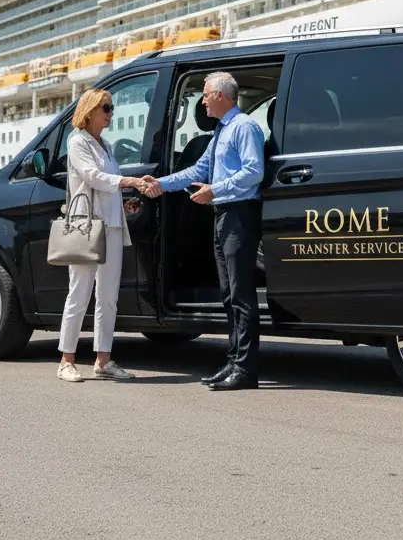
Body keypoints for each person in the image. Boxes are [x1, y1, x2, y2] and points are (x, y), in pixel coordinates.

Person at [142, 72, 265, 391]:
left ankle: (246, 369)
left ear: (221, 96)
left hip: (239, 213)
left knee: (241, 294)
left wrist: (215, 190)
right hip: (223, 215)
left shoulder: (244, 127)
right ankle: (234, 361)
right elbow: (199, 170)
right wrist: (160, 184)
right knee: (228, 294)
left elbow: (254, 172)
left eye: (207, 94)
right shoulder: (222, 131)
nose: (203, 101)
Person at [57, 88, 151, 383]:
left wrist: (124, 203)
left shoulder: (106, 145)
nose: (111, 113)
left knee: (108, 297)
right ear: (89, 111)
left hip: (112, 226)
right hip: (88, 227)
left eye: (111, 108)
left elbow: (105, 187)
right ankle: (66, 361)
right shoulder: (77, 142)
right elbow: (93, 177)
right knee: (79, 294)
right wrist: (129, 180)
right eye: (106, 108)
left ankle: (103, 360)